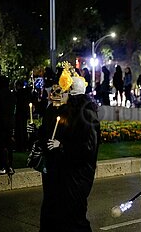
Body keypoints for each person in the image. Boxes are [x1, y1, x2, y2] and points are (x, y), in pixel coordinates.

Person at [34, 62, 100, 232]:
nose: (60, 95)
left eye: (65, 92)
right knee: (54, 214)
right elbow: (52, 134)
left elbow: (88, 148)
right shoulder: (65, 111)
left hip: (76, 175)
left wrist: (63, 147)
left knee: (74, 217)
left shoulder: (86, 113)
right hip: (61, 171)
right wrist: (38, 133)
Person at [0, 75, 17, 175]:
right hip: (9, 124)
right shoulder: (12, 96)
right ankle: (9, 165)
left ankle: (0, 166)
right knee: (8, 146)